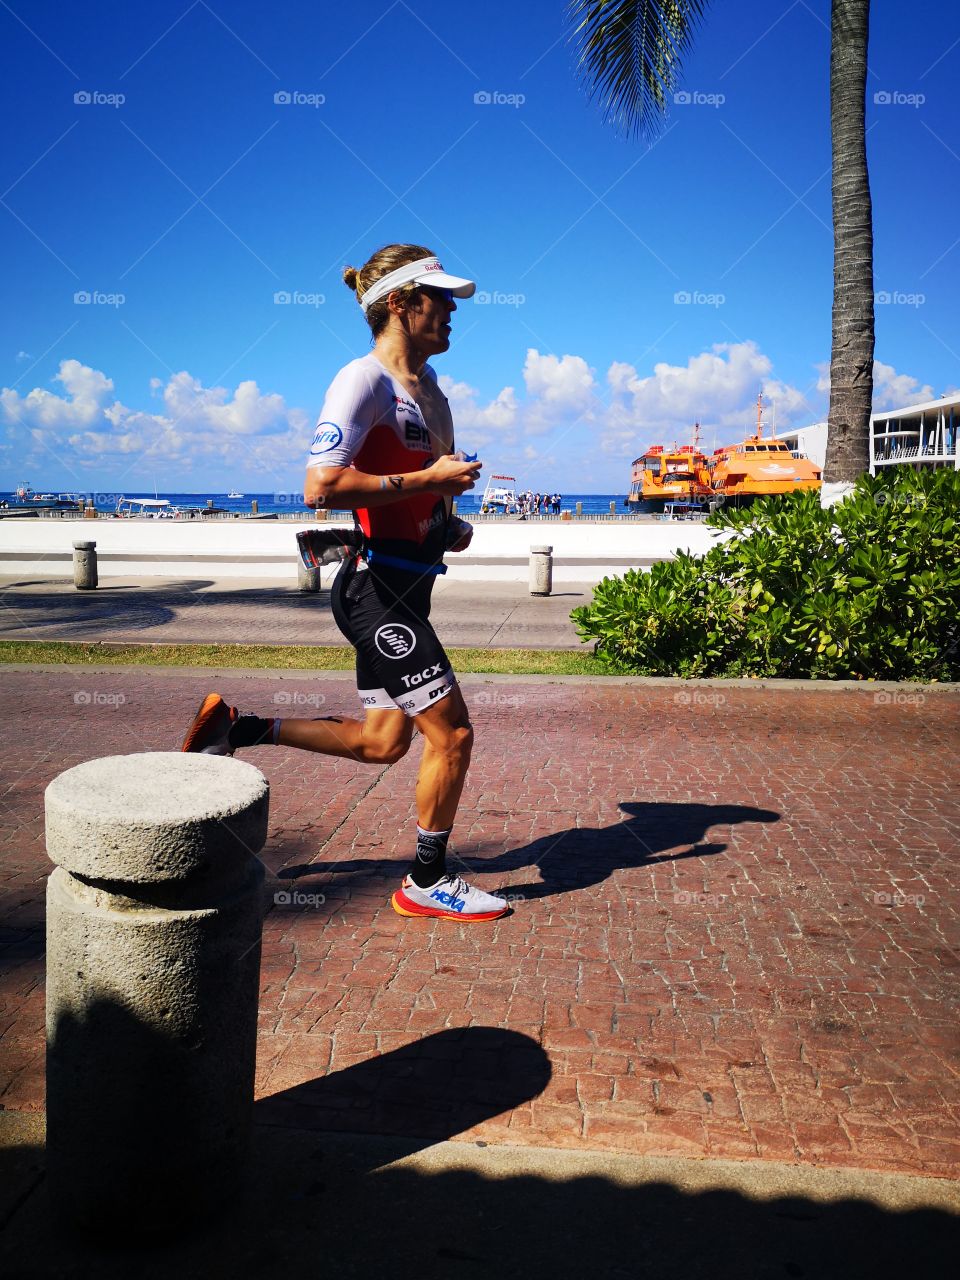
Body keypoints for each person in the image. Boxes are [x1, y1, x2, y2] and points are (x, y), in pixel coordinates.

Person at [181, 243, 508, 924]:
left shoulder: (434, 393)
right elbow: (320, 486)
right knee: (453, 735)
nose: (453, 311)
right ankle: (427, 880)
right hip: (374, 593)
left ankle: (237, 728)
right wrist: (427, 483)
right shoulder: (362, 382)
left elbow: (421, 494)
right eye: (440, 298)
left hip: (408, 583)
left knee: (382, 744)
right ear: (399, 303)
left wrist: (445, 522)